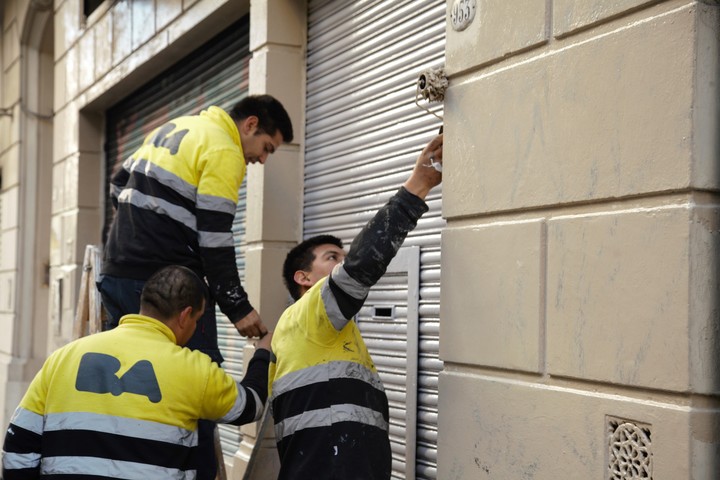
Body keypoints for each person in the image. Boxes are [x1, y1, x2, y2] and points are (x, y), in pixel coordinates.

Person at [98, 95, 292, 478]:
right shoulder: (224, 148)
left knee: (123, 380)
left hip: (118, 273)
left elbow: (118, 183)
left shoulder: (174, 128)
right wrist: (239, 308)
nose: (261, 160)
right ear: (251, 124)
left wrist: (137, 234)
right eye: (266, 147)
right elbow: (215, 238)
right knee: (199, 383)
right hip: (167, 286)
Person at [268, 134, 444, 479]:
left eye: (341, 259)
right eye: (332, 259)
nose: (339, 266)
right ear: (303, 278)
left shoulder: (325, 334)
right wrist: (419, 184)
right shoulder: (308, 315)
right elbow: (362, 264)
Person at [2, 265, 272, 480]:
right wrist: (263, 353)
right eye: (197, 320)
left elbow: (19, 444)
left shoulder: (64, 357)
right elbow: (250, 406)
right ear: (184, 315)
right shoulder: (195, 370)